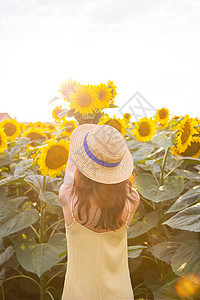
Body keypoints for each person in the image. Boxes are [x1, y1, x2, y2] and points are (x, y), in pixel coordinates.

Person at [59, 123, 140, 300]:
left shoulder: (68, 198)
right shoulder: (132, 201)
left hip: (78, 293)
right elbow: (124, 183)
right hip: (120, 293)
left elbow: (71, 169)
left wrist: (83, 146)